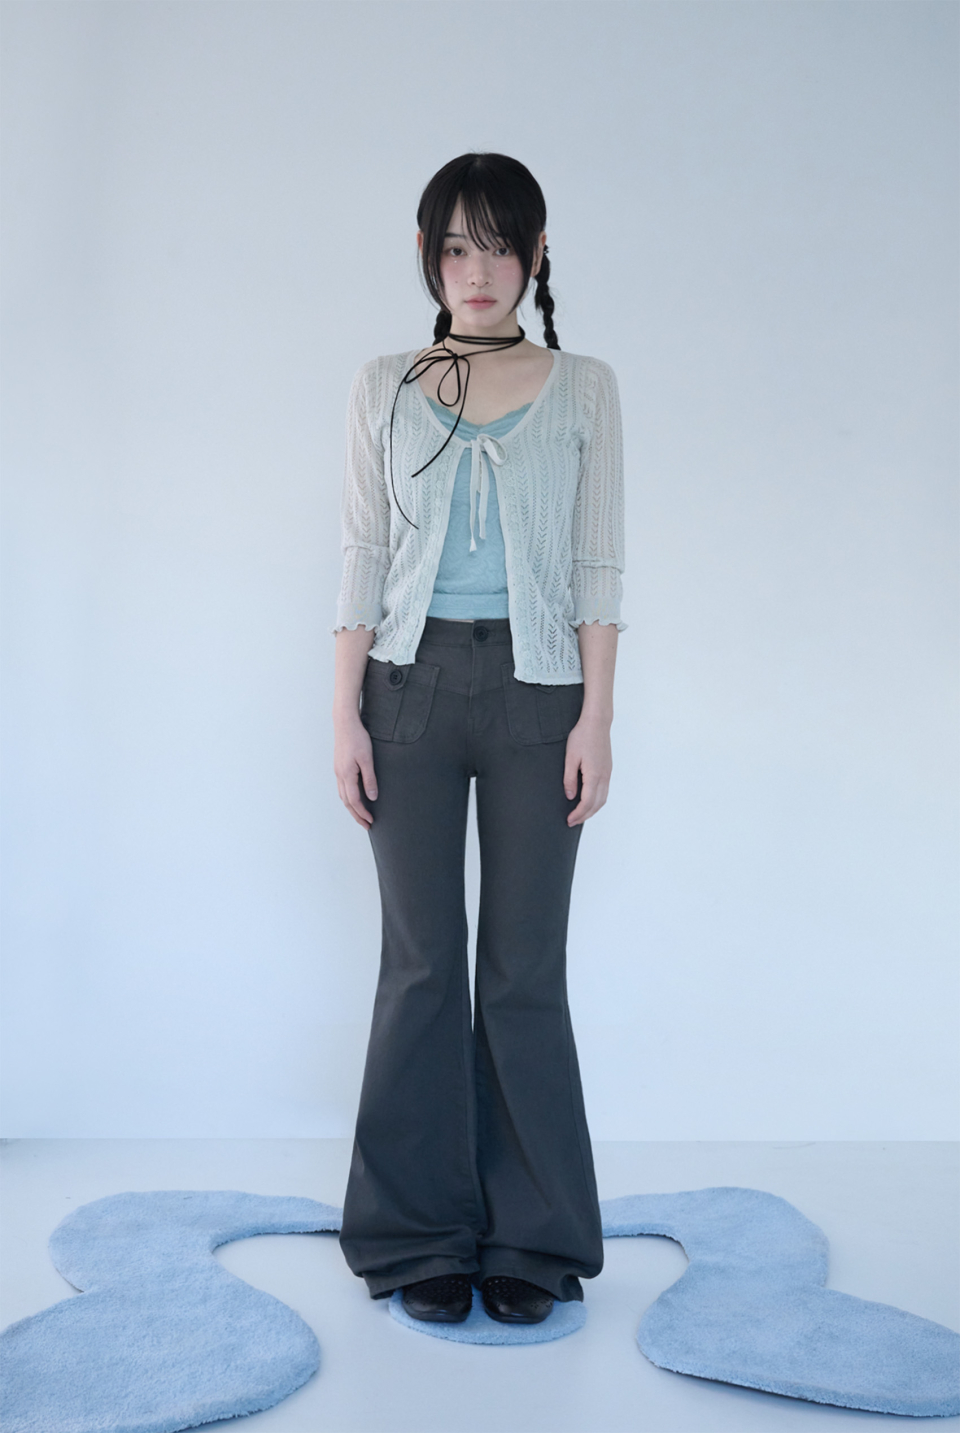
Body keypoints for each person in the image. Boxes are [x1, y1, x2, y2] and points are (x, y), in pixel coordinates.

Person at [331, 152, 626, 1326]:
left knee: (523, 968)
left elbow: (598, 563)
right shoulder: (383, 384)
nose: (479, 268)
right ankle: (418, 1235)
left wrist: (597, 716)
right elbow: (362, 553)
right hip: (405, 691)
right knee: (419, 964)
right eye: (456, 245)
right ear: (426, 256)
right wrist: (342, 712)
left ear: (537, 254)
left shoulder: (586, 387)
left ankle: (532, 1241)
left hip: (537, 694)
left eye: (501, 244)